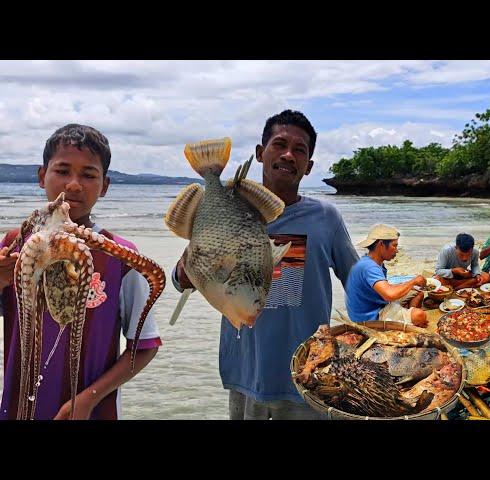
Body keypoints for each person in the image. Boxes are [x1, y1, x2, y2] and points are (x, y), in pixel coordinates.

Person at [171, 110, 359, 420]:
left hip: (307, 374)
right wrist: (189, 266)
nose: (288, 154)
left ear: (309, 166)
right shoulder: (226, 209)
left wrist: (389, 298)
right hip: (246, 373)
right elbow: (181, 279)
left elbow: (356, 279)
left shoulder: (326, 218)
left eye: (299, 150)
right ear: (260, 153)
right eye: (279, 144)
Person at [0, 124, 162, 420]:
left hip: (93, 412)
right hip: (18, 408)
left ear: (105, 185)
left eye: (88, 175)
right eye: (62, 171)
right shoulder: (12, 247)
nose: (74, 184)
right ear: (41, 176)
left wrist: (89, 399)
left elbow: (145, 345)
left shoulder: (121, 257)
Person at [346, 224, 427, 327]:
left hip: (379, 303)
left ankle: (405, 320)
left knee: (418, 293)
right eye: (394, 245)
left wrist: (408, 285)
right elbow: (389, 294)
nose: (397, 250)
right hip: (370, 317)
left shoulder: (374, 262)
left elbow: (384, 289)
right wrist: (413, 281)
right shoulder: (369, 267)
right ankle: (406, 322)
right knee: (420, 315)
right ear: (381, 245)